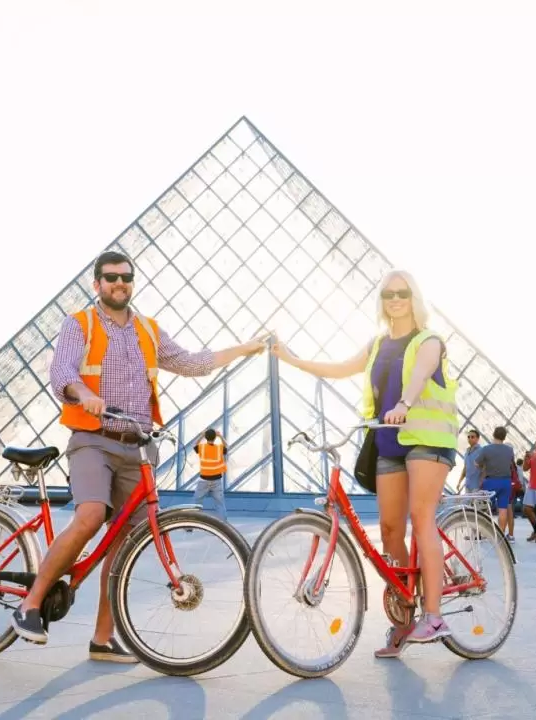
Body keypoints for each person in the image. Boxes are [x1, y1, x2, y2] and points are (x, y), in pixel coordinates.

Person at [10, 250, 268, 662]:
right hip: (93, 440)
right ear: (97, 284)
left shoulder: (148, 330)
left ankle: (102, 639)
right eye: (110, 277)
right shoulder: (80, 324)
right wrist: (86, 394)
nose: (119, 283)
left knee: (125, 545)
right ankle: (30, 605)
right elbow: (62, 372)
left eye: (126, 277)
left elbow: (191, 362)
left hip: (137, 448)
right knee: (92, 516)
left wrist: (244, 349)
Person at [272, 268, 459, 659]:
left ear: (414, 297)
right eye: (388, 293)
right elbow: (340, 369)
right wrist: (291, 360)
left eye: (402, 292)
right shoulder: (377, 345)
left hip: (428, 440)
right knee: (391, 531)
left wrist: (404, 404)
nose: (395, 299)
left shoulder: (429, 340)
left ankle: (435, 615)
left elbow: (421, 376)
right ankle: (406, 615)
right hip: (388, 443)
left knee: (421, 518)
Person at [475, 426, 514, 533]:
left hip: (491, 481)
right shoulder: (510, 450)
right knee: (503, 509)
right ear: (504, 437)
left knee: (484, 509)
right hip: (506, 482)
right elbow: (510, 464)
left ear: (493, 434)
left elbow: (476, 463)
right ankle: (501, 533)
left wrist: (485, 465)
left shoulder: (486, 449)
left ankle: (481, 533)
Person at [193, 428, 228, 521]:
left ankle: (192, 523)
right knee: (220, 503)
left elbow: (194, 444)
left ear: (206, 437)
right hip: (217, 480)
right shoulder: (219, 448)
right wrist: (220, 436)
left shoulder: (202, 447)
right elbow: (226, 446)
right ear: (215, 437)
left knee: (197, 502)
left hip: (204, 479)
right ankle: (224, 524)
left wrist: (201, 435)